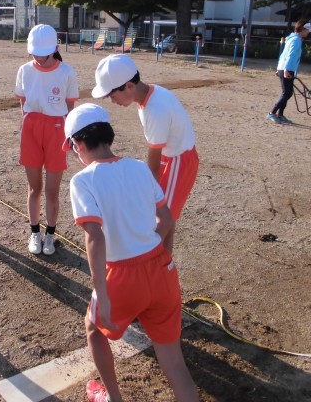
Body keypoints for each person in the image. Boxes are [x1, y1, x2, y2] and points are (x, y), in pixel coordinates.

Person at [63, 103, 199, 402]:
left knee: (94, 329)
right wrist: (147, 243)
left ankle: (113, 397)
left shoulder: (83, 180)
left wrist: (103, 292)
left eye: (72, 146)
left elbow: (95, 238)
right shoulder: (138, 167)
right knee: (174, 361)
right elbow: (166, 218)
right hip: (161, 268)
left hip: (122, 275)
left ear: (78, 143)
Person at [92, 54, 198, 256]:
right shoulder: (150, 96)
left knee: (163, 216)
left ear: (129, 86)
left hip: (178, 161)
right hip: (172, 158)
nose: (111, 101)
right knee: (163, 213)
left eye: (112, 95)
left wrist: (147, 192)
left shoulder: (155, 110)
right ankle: (163, 261)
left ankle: (160, 263)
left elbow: (154, 163)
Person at [15, 24, 79, 256]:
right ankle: (34, 232)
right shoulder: (24, 70)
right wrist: (31, 123)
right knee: (35, 188)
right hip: (31, 128)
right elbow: (23, 103)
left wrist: (70, 137)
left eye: (45, 53)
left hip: (56, 129)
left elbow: (70, 109)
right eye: (35, 53)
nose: (40, 58)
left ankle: (50, 234)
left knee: (52, 190)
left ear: (55, 48)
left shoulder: (67, 72)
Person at [267, 19, 311, 124]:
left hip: (285, 68)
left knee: (287, 93)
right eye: (307, 30)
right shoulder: (296, 40)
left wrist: (279, 68)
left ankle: (280, 115)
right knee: (287, 93)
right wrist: (285, 70)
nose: (308, 32)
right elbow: (289, 55)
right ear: (302, 29)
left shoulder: (292, 39)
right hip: (287, 69)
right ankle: (272, 113)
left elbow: (283, 54)